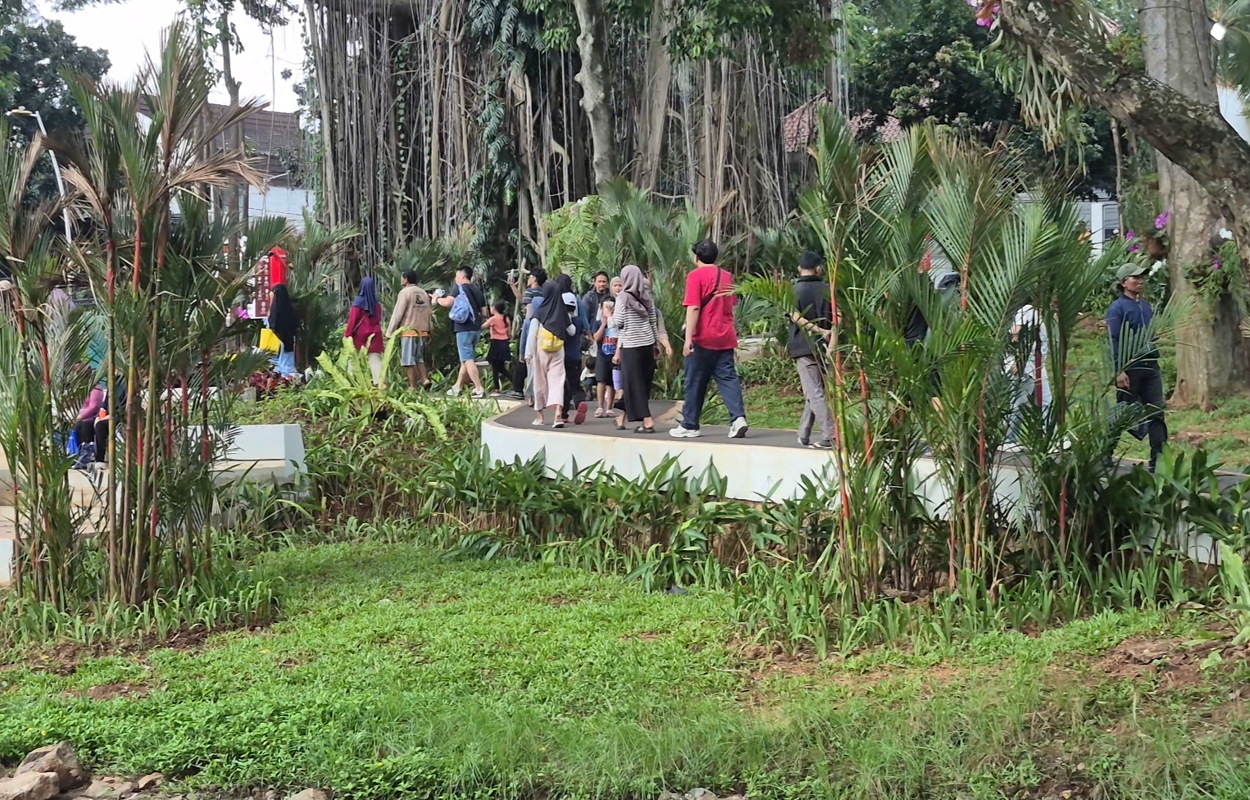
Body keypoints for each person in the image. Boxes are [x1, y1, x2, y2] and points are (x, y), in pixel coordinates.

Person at [671, 239, 748, 439]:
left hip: (703, 337)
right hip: (725, 336)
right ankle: (738, 418)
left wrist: (688, 338)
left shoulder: (695, 276)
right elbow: (731, 304)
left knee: (694, 380)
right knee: (728, 378)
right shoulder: (727, 276)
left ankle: (690, 424)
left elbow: (694, 307)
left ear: (696, 257)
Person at [1107, 263, 1168, 470]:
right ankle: (1105, 454)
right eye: (1136, 278)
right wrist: (1119, 370)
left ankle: (1158, 461)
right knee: (1123, 414)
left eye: (1142, 277)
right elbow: (1113, 340)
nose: (1141, 281)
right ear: (1124, 282)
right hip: (1130, 368)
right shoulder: (1117, 308)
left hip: (1151, 366)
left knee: (1156, 412)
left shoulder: (1145, 306)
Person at [787, 251, 836, 449]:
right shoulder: (828, 289)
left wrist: (818, 330)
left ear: (799, 269)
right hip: (824, 346)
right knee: (815, 390)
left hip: (803, 346)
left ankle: (830, 434)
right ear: (819, 269)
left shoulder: (792, 291)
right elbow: (839, 317)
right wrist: (830, 339)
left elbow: (796, 317)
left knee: (813, 392)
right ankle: (804, 433)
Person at [614, 264, 671, 433]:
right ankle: (621, 417)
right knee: (640, 383)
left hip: (631, 346)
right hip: (647, 345)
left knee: (633, 384)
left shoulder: (622, 297)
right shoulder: (647, 298)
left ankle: (647, 421)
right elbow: (653, 322)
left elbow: (618, 322)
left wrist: (609, 317)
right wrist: (655, 344)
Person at [435, 266, 488, 399]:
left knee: (468, 360)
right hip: (475, 329)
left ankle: (479, 388)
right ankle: (457, 387)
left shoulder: (459, 288)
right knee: (465, 359)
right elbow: (484, 312)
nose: (456, 278)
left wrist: (436, 299)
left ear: (462, 276)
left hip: (463, 329)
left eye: (457, 275)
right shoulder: (477, 290)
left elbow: (447, 303)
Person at [1004, 303, 1051, 447]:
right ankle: (1008, 439)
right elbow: (1015, 333)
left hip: (1037, 366)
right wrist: (1019, 359)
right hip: (1026, 367)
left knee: (1046, 402)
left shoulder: (1036, 313)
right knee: (1019, 404)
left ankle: (1050, 437)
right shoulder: (1027, 310)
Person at [528, 280, 572, 427]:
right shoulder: (563, 312)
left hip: (541, 351)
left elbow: (532, 334)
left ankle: (540, 416)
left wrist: (529, 354)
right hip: (558, 350)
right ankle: (558, 414)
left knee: (539, 381)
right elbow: (572, 331)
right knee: (557, 382)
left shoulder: (540, 311)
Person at [386, 269, 433, 390]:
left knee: (408, 360)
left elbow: (398, 313)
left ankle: (413, 386)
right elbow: (429, 313)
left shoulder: (404, 292)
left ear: (406, 279)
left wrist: (390, 331)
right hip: (422, 331)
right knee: (419, 358)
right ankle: (425, 379)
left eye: (402, 277)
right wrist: (429, 330)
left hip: (409, 331)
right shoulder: (423, 293)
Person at [556, 274, 589, 425]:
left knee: (562, 385)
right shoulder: (578, 321)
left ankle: (563, 413)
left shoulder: (559, 321)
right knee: (575, 384)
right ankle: (580, 401)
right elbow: (583, 327)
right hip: (575, 356)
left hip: (561, 356)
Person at [344, 276, 385, 385]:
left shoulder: (358, 302)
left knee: (354, 358)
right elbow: (378, 318)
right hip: (375, 333)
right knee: (375, 359)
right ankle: (379, 383)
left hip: (360, 335)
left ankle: (350, 381)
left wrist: (347, 334)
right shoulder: (376, 303)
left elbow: (353, 320)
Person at [267, 284, 300, 378]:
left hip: (275, 344)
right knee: (287, 365)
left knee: (277, 367)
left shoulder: (274, 312)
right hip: (288, 343)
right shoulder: (290, 310)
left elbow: (271, 323)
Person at [593, 299, 619, 417]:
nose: (609, 310)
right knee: (601, 380)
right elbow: (596, 337)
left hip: (613, 355)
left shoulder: (617, 323)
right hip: (602, 355)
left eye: (611, 307)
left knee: (612, 382)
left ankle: (609, 408)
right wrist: (604, 324)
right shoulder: (597, 323)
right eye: (606, 307)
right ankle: (600, 406)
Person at [485, 301, 512, 396]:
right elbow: (509, 333)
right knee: (500, 367)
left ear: (495, 309)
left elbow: (482, 326)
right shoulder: (506, 318)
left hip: (496, 343)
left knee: (495, 368)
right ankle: (515, 381)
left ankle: (496, 389)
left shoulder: (493, 319)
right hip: (504, 343)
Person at [582, 271, 611, 338]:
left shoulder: (611, 296)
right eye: (599, 281)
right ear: (594, 283)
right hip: (593, 331)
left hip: (609, 331)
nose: (602, 284)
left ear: (607, 283)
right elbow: (584, 316)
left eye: (604, 282)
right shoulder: (589, 297)